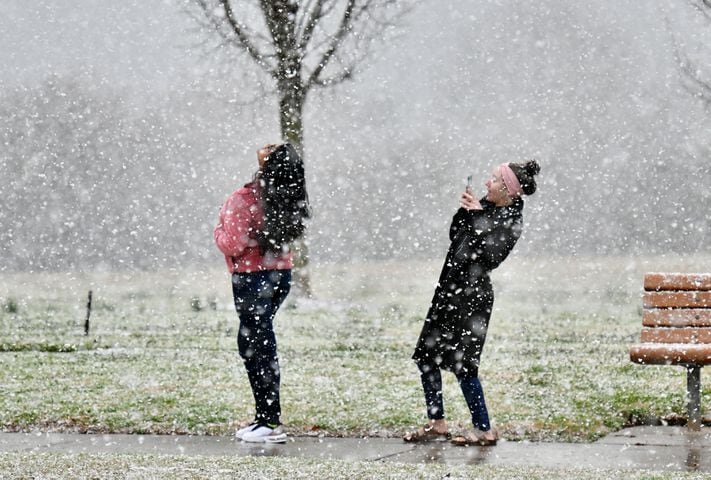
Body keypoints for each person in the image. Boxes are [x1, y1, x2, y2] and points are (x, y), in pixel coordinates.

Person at [404, 160, 540, 446]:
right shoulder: (485, 206)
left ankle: (484, 430)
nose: (486, 183)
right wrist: (465, 212)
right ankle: (436, 422)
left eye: (492, 179)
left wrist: (477, 218)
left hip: (472, 299)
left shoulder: (511, 219)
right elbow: (456, 237)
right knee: (427, 357)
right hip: (449, 290)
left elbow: (491, 255)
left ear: (508, 189)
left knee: (465, 367)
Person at [214, 143, 310, 443]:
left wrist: (216, 231)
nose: (263, 147)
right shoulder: (287, 195)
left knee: (255, 345)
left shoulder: (245, 198)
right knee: (259, 341)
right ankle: (265, 417)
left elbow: (232, 243)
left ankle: (269, 421)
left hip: (251, 278)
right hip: (279, 275)